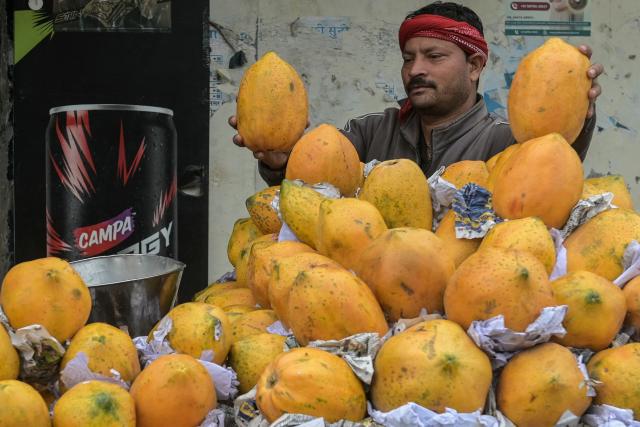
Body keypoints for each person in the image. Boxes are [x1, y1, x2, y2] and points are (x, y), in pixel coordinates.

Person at [229, 1, 603, 187]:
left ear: (474, 66)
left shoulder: (507, 140)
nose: (416, 69)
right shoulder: (369, 131)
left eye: (433, 56)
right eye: (409, 58)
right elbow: (311, 191)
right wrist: (279, 161)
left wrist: (580, 118)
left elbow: (552, 169)